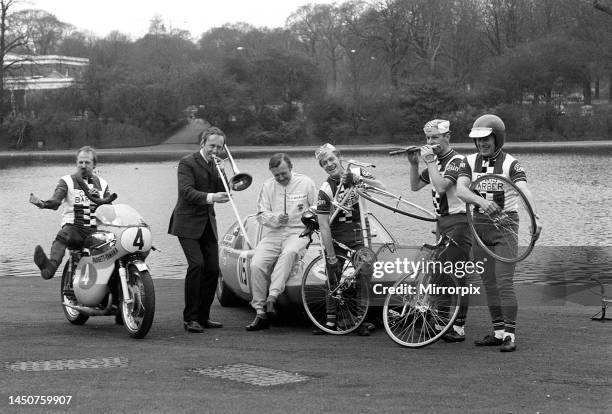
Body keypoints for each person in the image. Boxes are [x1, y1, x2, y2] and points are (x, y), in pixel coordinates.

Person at [456, 114, 542, 352]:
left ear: (497, 138)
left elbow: (524, 191)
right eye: (478, 140)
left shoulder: (511, 164)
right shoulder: (468, 161)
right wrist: (481, 203)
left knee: (504, 281)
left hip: (504, 228)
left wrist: (535, 218)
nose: (482, 144)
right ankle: (498, 332)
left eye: (487, 139)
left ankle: (510, 335)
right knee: (488, 282)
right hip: (479, 227)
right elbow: (461, 190)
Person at [406, 119, 472, 342]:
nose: (430, 142)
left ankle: (459, 326)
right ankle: (442, 322)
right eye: (427, 138)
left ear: (447, 137)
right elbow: (415, 186)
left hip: (460, 222)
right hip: (442, 223)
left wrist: (430, 160)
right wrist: (415, 164)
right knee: (438, 273)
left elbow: (442, 186)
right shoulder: (436, 162)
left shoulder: (457, 161)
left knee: (457, 274)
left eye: (434, 137)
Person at [314, 143, 385, 336]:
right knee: (334, 274)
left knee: (365, 271)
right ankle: (331, 320)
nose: (329, 164)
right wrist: (331, 256)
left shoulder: (356, 171)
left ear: (339, 158)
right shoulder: (325, 188)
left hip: (359, 232)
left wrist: (359, 178)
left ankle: (361, 318)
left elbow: (382, 187)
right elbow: (323, 225)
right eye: (324, 163)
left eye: (331, 159)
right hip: (337, 235)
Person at [168, 126, 230, 333]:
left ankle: (203, 316)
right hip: (186, 223)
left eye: (219, 147)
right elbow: (186, 192)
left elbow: (226, 192)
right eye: (212, 145)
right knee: (197, 266)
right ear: (202, 143)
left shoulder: (216, 165)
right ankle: (190, 318)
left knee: (213, 269)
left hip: (207, 225)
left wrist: (223, 172)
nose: (215, 150)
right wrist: (211, 197)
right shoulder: (187, 163)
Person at [245, 153, 317, 331]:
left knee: (290, 253)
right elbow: (261, 215)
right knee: (256, 264)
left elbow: (317, 207)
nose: (281, 177)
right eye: (276, 175)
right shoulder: (268, 186)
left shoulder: (306, 182)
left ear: (291, 167)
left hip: (298, 232)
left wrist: (308, 218)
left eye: (284, 173)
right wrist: (276, 218)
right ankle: (260, 311)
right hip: (273, 233)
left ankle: (272, 297)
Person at [30, 146, 112, 280]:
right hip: (73, 229)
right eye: (80, 162)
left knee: (112, 243)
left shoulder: (103, 184)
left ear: (94, 164)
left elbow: (110, 211)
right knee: (64, 234)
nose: (83, 166)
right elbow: (56, 201)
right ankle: (49, 268)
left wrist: (99, 200)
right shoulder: (66, 181)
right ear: (76, 163)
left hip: (93, 231)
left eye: (87, 162)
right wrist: (42, 204)